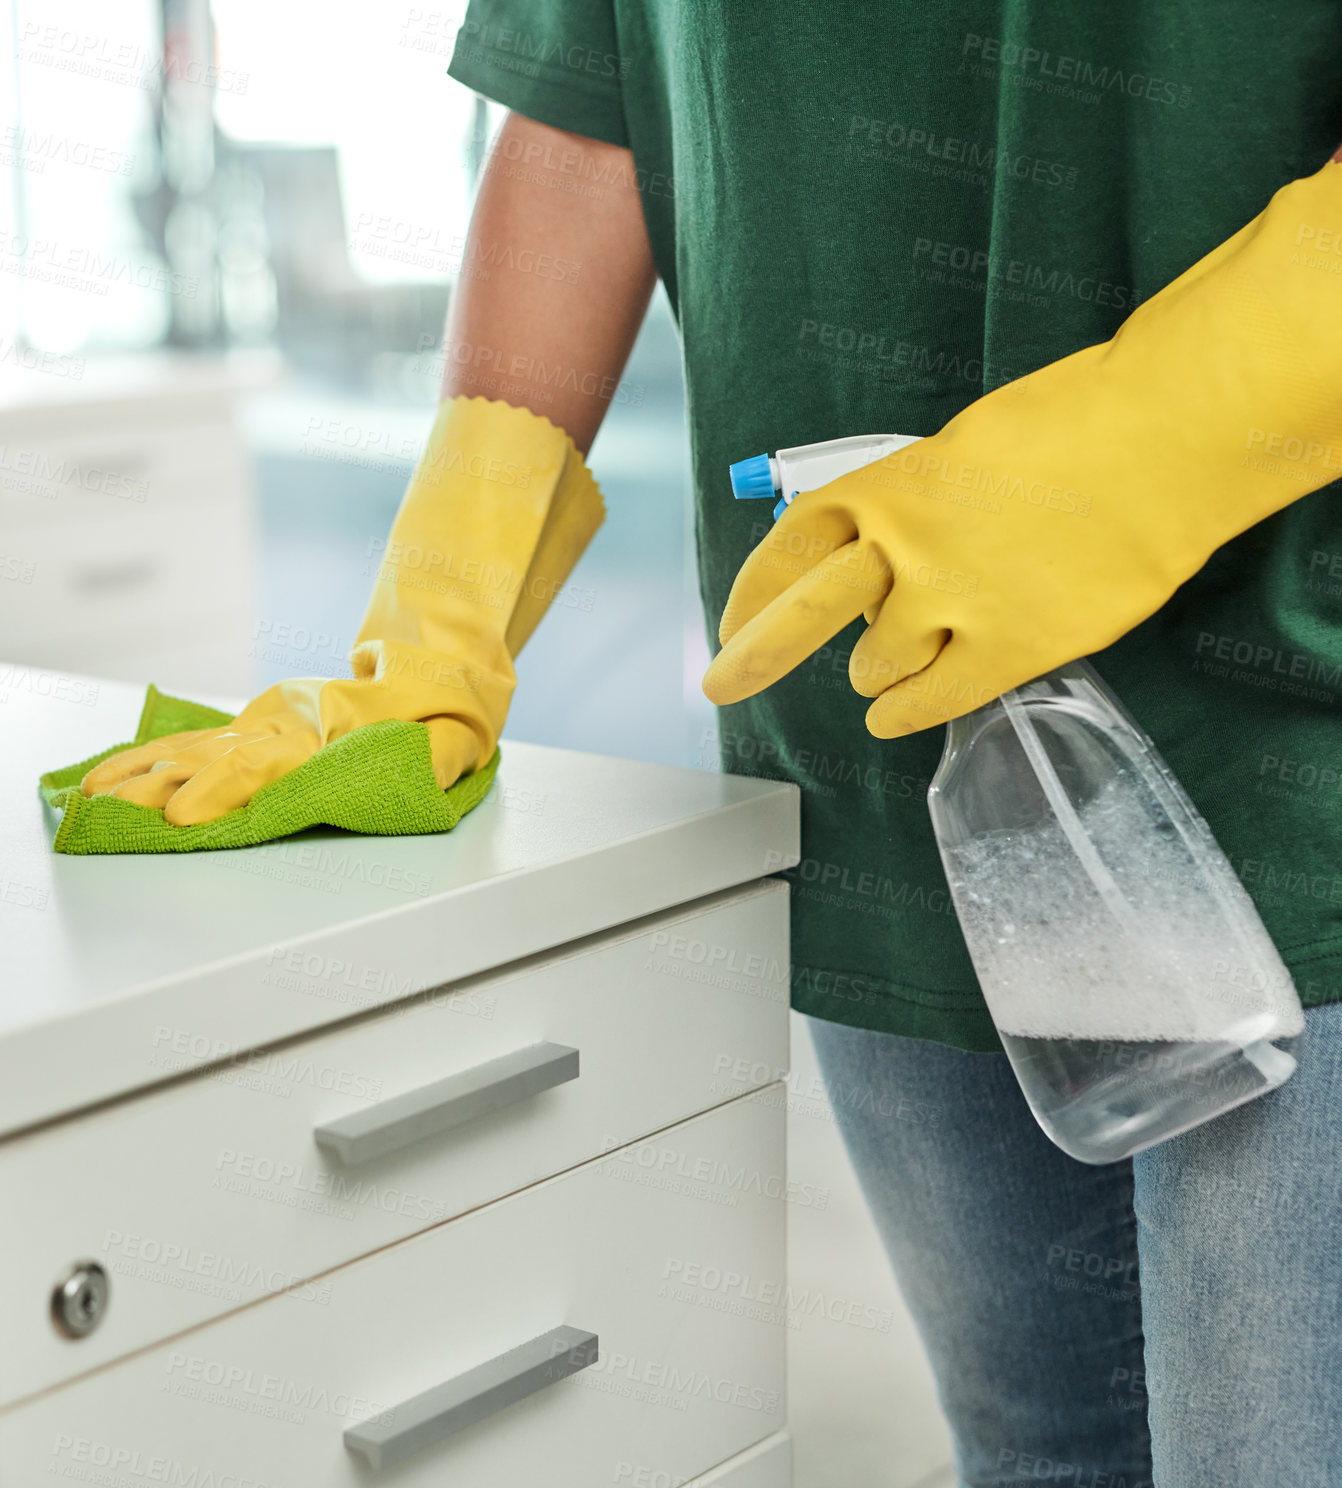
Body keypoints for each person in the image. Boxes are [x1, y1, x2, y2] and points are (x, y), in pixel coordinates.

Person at [85, 7, 1342, 1483]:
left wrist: (1124, 457)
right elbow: (585, 105)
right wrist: (447, 604)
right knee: (1044, 1448)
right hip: (879, 730)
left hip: (1287, 735)